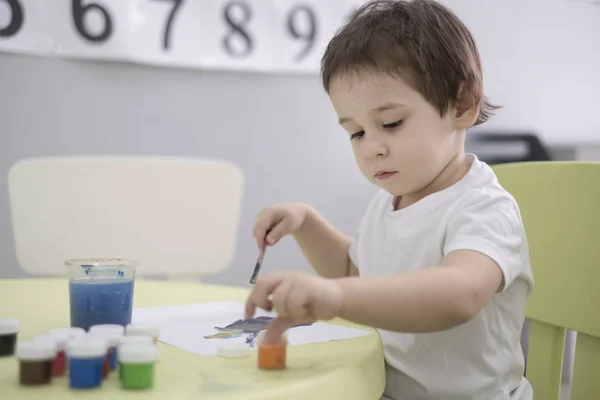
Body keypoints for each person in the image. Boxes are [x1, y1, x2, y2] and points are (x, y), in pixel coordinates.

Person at [245, 1, 534, 399]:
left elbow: (459, 293)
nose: (371, 148)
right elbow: (355, 273)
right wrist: (307, 223)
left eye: (391, 123)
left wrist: (336, 298)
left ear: (461, 106)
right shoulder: (390, 201)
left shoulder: (483, 207)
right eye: (356, 133)